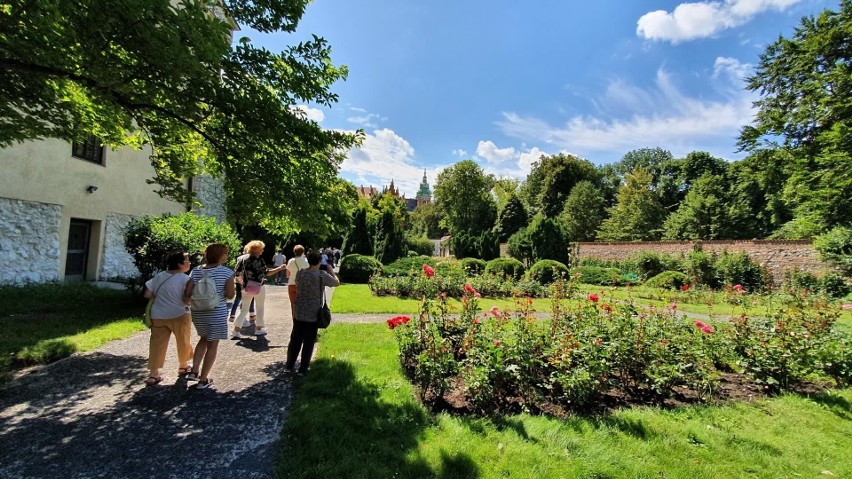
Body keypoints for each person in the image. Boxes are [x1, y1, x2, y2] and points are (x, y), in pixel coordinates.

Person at [185, 243, 235, 390]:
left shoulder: (195, 271)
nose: (227, 255)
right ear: (219, 256)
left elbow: (188, 292)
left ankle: (194, 371)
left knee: (203, 339)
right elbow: (231, 294)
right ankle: (203, 379)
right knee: (213, 344)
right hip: (216, 310)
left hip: (198, 311)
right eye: (225, 253)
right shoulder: (227, 272)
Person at [285, 250, 340, 375]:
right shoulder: (321, 275)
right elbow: (336, 283)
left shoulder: (300, 273)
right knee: (309, 340)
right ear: (320, 261)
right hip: (313, 312)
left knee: (296, 339)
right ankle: (303, 368)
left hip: (299, 310)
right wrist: (331, 270)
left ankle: (289, 365)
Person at [142, 251, 193, 385]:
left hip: (158, 315)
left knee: (157, 344)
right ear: (180, 264)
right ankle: (183, 365)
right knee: (183, 340)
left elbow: (148, 294)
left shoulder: (159, 276)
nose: (189, 263)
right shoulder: (185, 279)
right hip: (180, 314)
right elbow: (188, 299)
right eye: (187, 261)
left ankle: (153, 374)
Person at [231, 240, 287, 339]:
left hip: (246, 287)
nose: (262, 250)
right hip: (259, 287)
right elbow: (267, 273)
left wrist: (242, 283)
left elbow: (237, 273)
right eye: (261, 249)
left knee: (244, 309)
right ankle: (259, 329)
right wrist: (280, 268)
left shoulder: (242, 259)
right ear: (256, 250)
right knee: (260, 308)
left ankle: (236, 330)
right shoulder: (259, 260)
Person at [229, 244, 256, 324]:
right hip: (248, 281)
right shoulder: (252, 258)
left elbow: (237, 269)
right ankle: (252, 314)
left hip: (238, 280)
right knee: (251, 297)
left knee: (238, 297)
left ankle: (232, 315)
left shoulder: (239, 258)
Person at [285, 244, 310, 320]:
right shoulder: (306, 261)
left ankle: (295, 321)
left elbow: (287, 275)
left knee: (293, 304)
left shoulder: (291, 261)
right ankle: (303, 320)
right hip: (303, 285)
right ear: (303, 252)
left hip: (292, 284)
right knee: (303, 304)